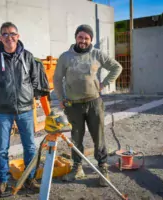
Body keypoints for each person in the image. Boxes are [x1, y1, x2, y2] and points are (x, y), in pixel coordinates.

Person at [53, 24, 122, 186]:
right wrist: (61, 98)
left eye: (86, 38)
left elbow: (116, 67)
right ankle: (77, 168)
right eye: (80, 37)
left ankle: (103, 168)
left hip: (94, 103)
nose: (83, 40)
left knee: (99, 137)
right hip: (73, 105)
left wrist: (104, 83)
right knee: (76, 137)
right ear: (76, 38)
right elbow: (57, 79)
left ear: (90, 39)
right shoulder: (65, 57)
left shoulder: (97, 54)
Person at [0, 22, 40, 198]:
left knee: (30, 146)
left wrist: (31, 97)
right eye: (5, 34)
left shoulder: (28, 56)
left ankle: (30, 179)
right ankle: (2, 181)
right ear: (0, 38)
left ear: (18, 35)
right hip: (2, 111)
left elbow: (35, 80)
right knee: (2, 149)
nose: (9, 37)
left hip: (25, 110)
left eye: (12, 34)